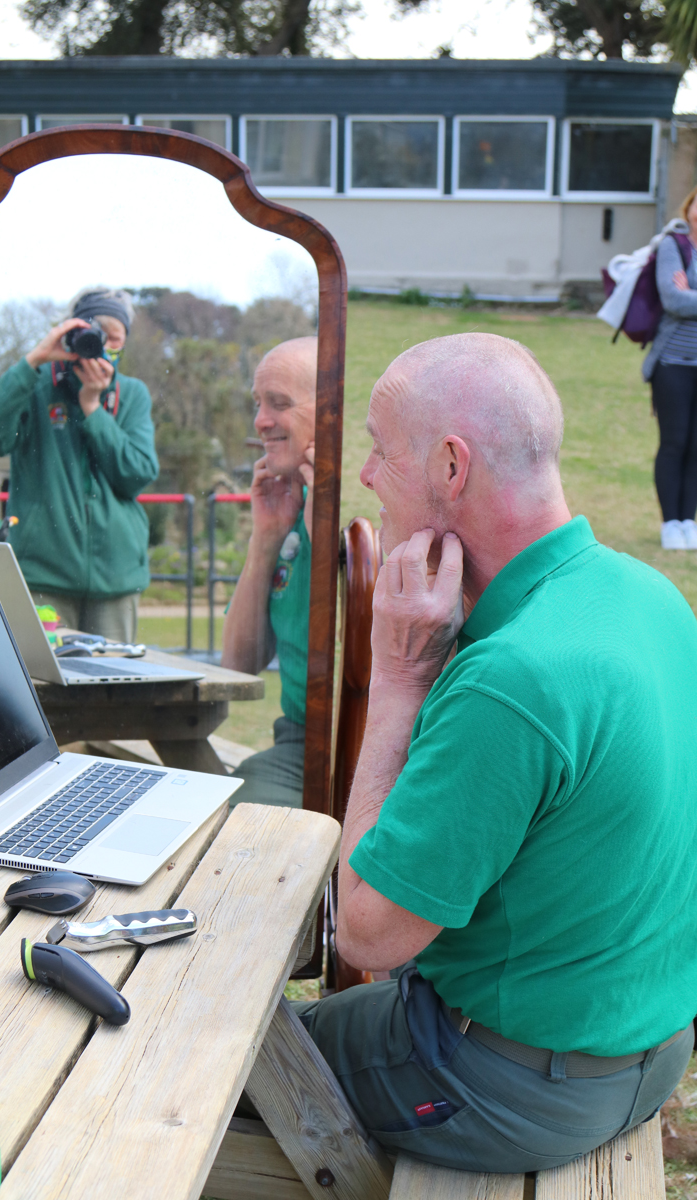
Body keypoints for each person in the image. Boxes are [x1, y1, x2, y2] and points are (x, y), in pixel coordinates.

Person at [294, 332, 697, 1174]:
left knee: (230, 1064)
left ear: (451, 466)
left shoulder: (511, 680)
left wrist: (398, 680)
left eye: (380, 449)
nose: (365, 475)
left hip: (503, 1083)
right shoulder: (648, 596)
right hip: (649, 1051)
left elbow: (367, 935)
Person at [0, 287, 158, 642]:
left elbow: (137, 474)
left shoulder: (131, 394)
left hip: (115, 579)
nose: (102, 345)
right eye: (95, 333)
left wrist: (92, 408)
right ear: (72, 331)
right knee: (43, 676)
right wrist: (34, 360)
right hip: (43, 577)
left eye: (115, 338)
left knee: (113, 676)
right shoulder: (36, 385)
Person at [221, 336, 317, 808]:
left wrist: (325, 529)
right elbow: (240, 663)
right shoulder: (290, 510)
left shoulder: (369, 515)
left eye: (279, 403)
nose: (260, 421)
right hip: (301, 741)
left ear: (332, 414)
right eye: (258, 403)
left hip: (377, 744)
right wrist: (266, 539)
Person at [643, 188, 697, 549]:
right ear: (689, 207)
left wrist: (691, 292)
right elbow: (674, 300)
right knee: (674, 442)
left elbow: (686, 299)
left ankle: (688, 522)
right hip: (672, 364)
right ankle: (670, 525)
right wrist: (684, 295)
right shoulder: (672, 246)